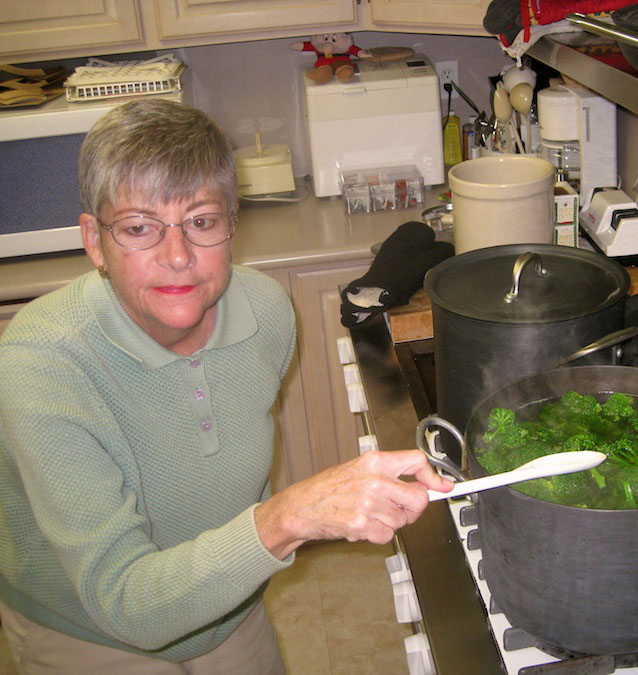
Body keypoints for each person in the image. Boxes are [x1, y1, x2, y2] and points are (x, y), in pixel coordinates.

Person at [0, 98, 451, 674]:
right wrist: (289, 516)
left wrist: (268, 534)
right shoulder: (43, 363)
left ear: (232, 226)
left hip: (228, 607)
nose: (178, 256)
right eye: (140, 228)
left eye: (202, 221)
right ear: (94, 241)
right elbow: (123, 601)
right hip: (91, 634)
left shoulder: (266, 311)